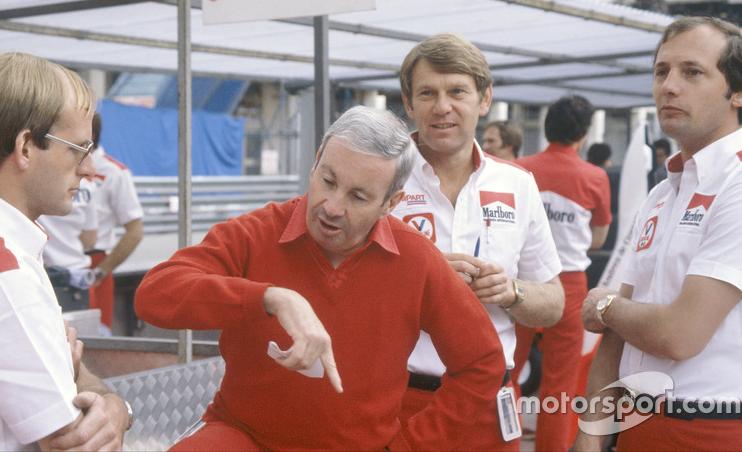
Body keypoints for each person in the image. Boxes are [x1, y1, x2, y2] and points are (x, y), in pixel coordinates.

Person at [134, 105, 507, 451]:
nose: (332, 207)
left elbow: (482, 361)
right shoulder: (255, 233)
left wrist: (410, 447)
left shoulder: (416, 260)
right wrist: (269, 298)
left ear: (390, 204)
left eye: (358, 197)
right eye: (328, 180)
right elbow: (154, 294)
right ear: (315, 164)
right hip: (243, 435)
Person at [575, 17, 742, 451]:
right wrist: (589, 436)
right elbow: (618, 332)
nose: (669, 86)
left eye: (692, 72)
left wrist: (606, 304)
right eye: (661, 71)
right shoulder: (662, 191)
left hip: (711, 428)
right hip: (640, 423)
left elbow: (680, 334)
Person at [391, 32, 564, 451]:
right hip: (397, 399)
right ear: (409, 103)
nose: (442, 106)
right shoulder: (379, 177)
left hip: (489, 404)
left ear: (484, 100)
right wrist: (419, 279)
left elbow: (555, 302)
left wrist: (511, 292)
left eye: (457, 91)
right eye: (427, 93)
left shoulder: (517, 184)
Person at [0, 52, 131, 450]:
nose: (88, 169)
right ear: (25, 148)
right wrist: (115, 406)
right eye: (78, 149)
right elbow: (78, 443)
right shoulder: (1, 280)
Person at [511, 94, 612, 452]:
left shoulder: (519, 168)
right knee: (561, 382)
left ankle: (496, 440)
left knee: (506, 370)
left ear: (545, 126)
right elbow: (599, 237)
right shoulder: (595, 175)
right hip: (569, 283)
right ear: (583, 135)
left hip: (520, 281)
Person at [88, 111, 144, 335]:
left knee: (94, 348)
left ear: (90, 134)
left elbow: (135, 231)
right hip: (53, 264)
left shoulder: (114, 172)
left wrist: (101, 271)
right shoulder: (54, 164)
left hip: (94, 265)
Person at [39, 177, 99, 312]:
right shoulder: (87, 183)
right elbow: (90, 239)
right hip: (79, 277)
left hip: (44, 278)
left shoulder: (30, 177)